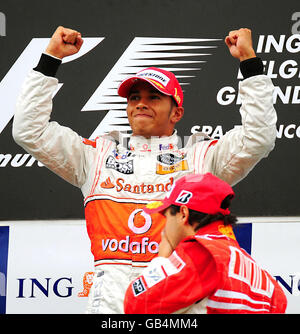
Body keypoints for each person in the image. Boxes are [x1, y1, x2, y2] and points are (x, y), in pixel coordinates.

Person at [12, 26, 277, 314]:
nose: (140, 104)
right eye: (134, 97)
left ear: (176, 112)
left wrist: (249, 63)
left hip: (183, 302)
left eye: (153, 98)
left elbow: (258, 138)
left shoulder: (202, 157)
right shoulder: (96, 155)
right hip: (112, 306)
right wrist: (50, 59)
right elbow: (29, 131)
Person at [124, 173, 287, 314]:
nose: (164, 228)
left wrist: (162, 259)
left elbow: (136, 304)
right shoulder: (266, 280)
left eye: (166, 217)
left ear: (183, 214)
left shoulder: (201, 252)